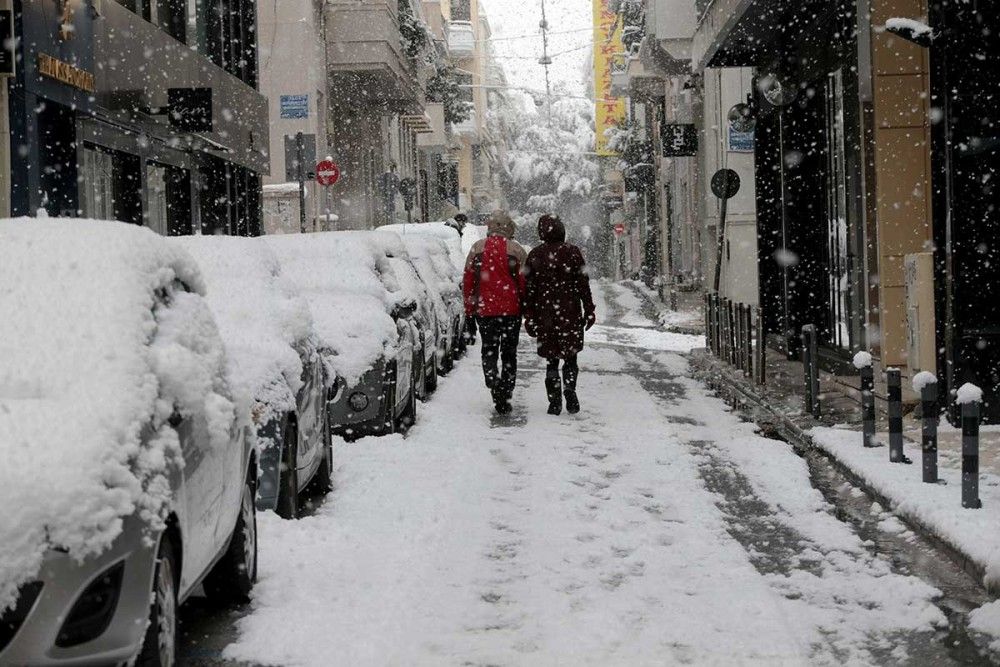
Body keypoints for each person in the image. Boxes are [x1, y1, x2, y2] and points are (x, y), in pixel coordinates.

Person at [523, 214, 596, 415]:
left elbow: (528, 289)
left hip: (545, 314)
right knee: (570, 356)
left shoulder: (535, 255)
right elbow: (583, 284)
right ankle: (570, 388)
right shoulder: (572, 252)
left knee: (551, 358)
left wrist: (528, 316)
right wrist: (589, 309)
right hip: (570, 312)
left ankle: (554, 400)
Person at [463, 211, 527, 414]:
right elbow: (524, 282)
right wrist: (526, 306)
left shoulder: (477, 248)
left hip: (486, 310)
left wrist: (470, 309)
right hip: (511, 310)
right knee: (509, 352)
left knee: (489, 349)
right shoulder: (516, 250)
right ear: (509, 227)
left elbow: (469, 281)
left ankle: (492, 381)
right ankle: (506, 390)